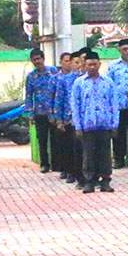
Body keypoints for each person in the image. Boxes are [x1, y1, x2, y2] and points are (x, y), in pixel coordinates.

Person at [69, 50, 118, 193]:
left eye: (94, 64)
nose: (92, 67)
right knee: (88, 154)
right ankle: (89, 181)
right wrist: (77, 125)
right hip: (87, 125)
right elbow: (75, 105)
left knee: (105, 155)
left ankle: (106, 181)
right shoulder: (79, 83)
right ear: (85, 65)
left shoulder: (108, 82)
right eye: (89, 64)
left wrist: (115, 124)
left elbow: (114, 104)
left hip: (105, 124)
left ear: (99, 64)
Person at [105, 38, 128, 168]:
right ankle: (119, 159)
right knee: (118, 134)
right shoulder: (113, 66)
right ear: (119, 50)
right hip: (118, 105)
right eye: (124, 49)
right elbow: (108, 84)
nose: (127, 52)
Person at [24, 49, 56, 173]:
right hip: (39, 113)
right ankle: (44, 164)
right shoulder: (31, 77)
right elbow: (28, 95)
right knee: (42, 140)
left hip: (53, 112)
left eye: (39, 58)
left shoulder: (53, 71)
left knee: (55, 140)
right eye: (34, 59)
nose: (37, 61)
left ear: (43, 58)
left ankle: (56, 164)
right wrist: (30, 113)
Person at [51, 51, 80, 184]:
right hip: (68, 118)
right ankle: (70, 171)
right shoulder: (63, 80)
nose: (77, 65)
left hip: (83, 120)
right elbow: (59, 100)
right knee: (69, 147)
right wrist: (59, 120)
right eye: (75, 62)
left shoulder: (86, 79)